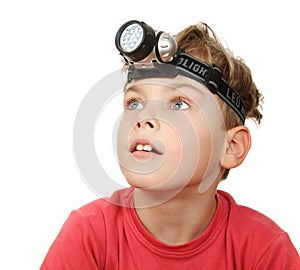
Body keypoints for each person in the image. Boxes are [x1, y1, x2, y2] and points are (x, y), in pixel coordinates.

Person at [41, 20, 300, 269]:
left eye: (179, 104)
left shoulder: (264, 250)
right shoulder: (90, 234)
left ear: (231, 146)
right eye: (135, 103)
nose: (145, 118)